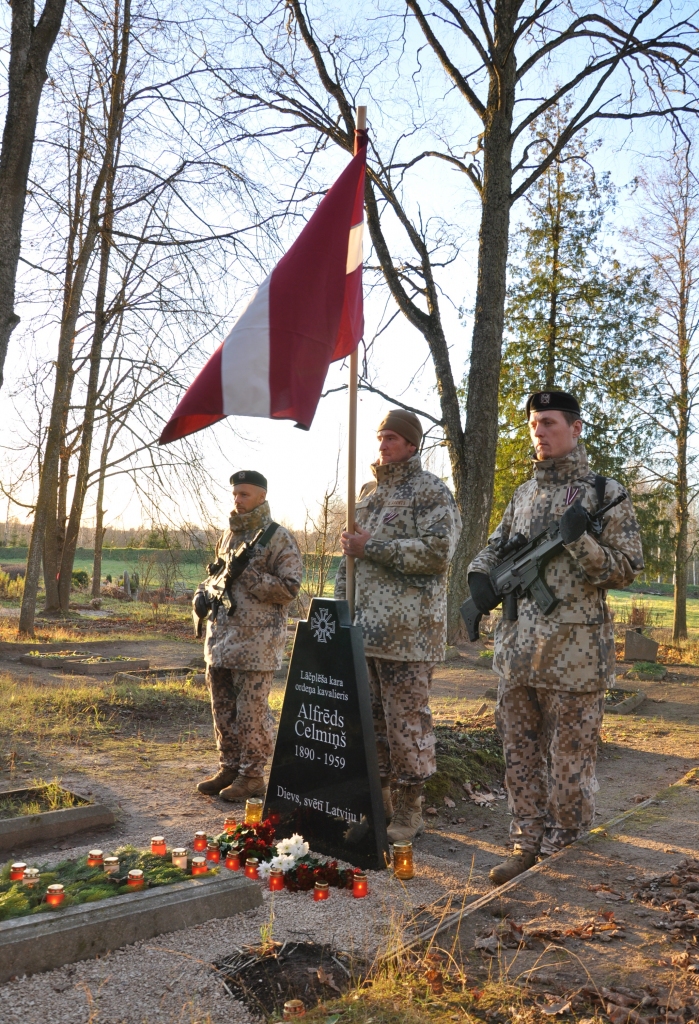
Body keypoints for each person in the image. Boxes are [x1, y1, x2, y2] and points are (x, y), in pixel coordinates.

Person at [468, 391, 644, 885]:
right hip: (517, 653)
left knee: (570, 763)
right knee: (519, 756)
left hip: (576, 657)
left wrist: (580, 542)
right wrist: (479, 576)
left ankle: (566, 850)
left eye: (548, 422)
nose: (539, 432)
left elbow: (626, 568)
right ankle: (526, 844)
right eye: (533, 425)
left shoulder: (604, 493)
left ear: (576, 428)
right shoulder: (523, 494)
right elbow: (495, 546)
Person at [336, 409, 462, 843]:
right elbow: (349, 561)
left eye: (392, 438)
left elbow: (438, 552)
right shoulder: (368, 494)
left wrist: (375, 547)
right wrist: (339, 613)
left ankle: (411, 811)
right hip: (364, 633)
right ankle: (380, 802)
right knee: (370, 726)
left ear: (412, 445)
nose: (383, 445)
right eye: (380, 437)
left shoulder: (430, 492)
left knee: (406, 725)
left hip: (409, 636)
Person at [195, 470, 302, 801]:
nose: (237, 500)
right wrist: (203, 593)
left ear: (261, 497)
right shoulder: (229, 535)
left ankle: (253, 775)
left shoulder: (276, 537)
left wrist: (253, 578)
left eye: (245, 494)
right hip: (221, 638)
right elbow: (216, 574)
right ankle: (229, 767)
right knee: (222, 708)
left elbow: (290, 588)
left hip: (256, 644)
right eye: (235, 494)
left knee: (251, 713)